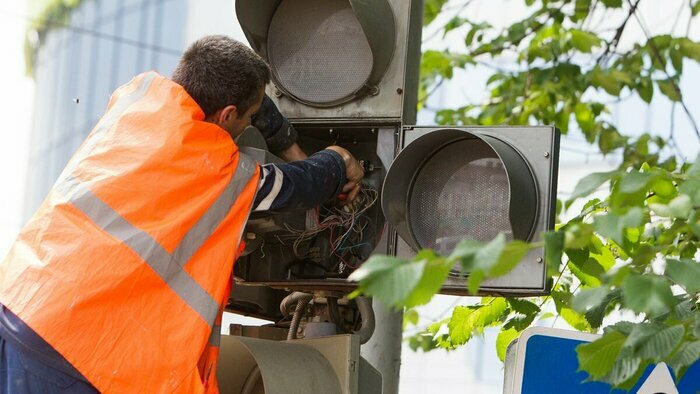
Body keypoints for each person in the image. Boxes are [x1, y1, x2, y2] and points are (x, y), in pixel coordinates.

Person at [0, 35, 364, 393]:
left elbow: (241, 98)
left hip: (19, 304)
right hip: (81, 357)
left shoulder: (136, 99)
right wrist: (338, 160)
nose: (251, 123)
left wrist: (288, 144)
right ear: (227, 114)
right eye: (247, 118)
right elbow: (296, 186)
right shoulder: (216, 172)